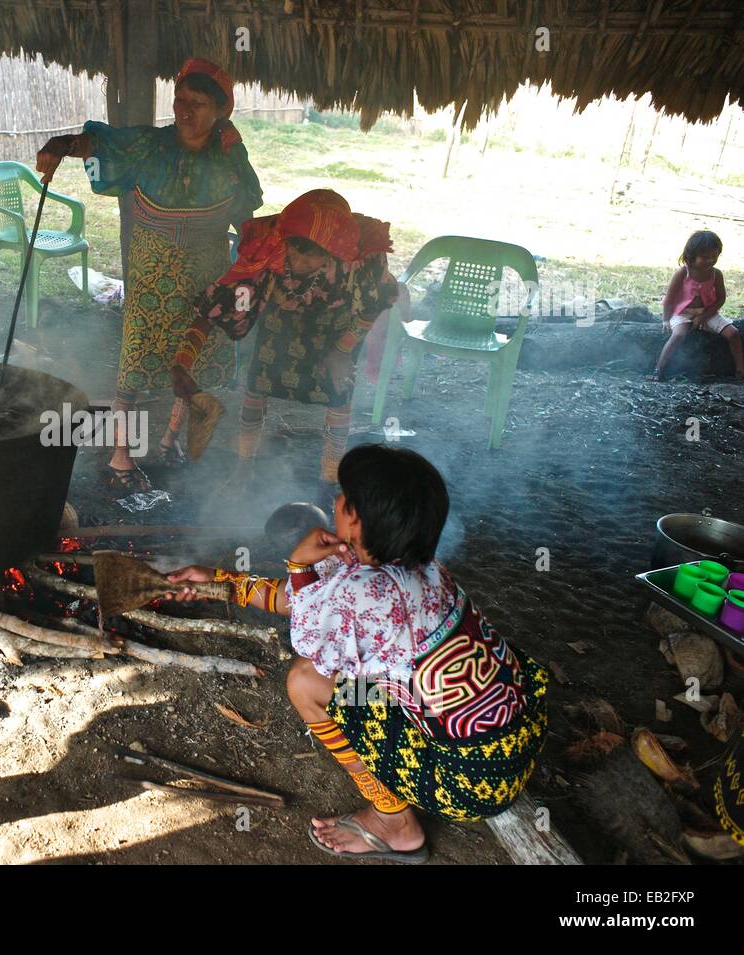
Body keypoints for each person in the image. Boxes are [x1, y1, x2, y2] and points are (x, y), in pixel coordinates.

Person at [165, 445, 548, 862]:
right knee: (367, 681)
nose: (336, 499)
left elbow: (310, 643)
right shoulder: (415, 563)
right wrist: (219, 581)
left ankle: (394, 824)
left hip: (472, 781)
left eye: (343, 494)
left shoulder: (364, 597)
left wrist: (297, 564)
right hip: (521, 731)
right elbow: (308, 601)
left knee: (304, 681)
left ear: (355, 518)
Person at [35, 58, 262, 492]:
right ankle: (120, 457)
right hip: (153, 272)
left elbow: (245, 215)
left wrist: (250, 269)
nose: (184, 110)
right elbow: (101, 142)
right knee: (137, 360)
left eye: (197, 103)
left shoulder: (230, 156)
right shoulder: (149, 145)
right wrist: (61, 144)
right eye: (180, 100)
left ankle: (170, 440)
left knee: (189, 358)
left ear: (220, 110)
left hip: (207, 270)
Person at [172, 189, 398, 507]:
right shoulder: (268, 252)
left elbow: (375, 304)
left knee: (338, 393)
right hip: (281, 324)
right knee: (256, 386)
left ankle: (327, 483)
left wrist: (343, 351)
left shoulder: (361, 259)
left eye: (311, 255)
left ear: (334, 251)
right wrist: (182, 363)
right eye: (295, 248)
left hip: (337, 326)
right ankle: (243, 471)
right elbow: (216, 307)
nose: (298, 260)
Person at [652, 229, 743, 380]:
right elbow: (669, 299)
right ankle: (658, 369)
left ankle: (740, 370)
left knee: (733, 334)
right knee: (678, 335)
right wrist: (666, 319)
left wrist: (703, 317)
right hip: (682, 312)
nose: (710, 260)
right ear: (692, 255)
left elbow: (721, 299)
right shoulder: (683, 272)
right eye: (705, 257)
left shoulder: (716, 274)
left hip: (708, 312)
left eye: (714, 256)